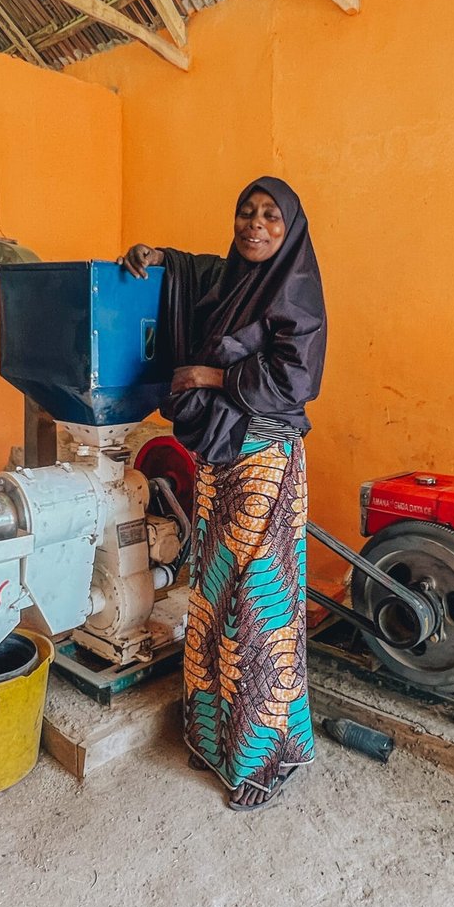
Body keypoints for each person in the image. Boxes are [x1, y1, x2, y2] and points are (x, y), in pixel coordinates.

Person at [120, 177, 326, 810]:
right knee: (209, 598)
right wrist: (160, 259)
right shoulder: (231, 278)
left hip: (264, 458)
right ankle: (214, 737)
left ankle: (265, 756)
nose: (255, 224)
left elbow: (298, 378)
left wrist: (213, 373)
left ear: (289, 228)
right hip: (216, 457)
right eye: (245, 212)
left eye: (270, 216)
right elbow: (199, 271)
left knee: (258, 609)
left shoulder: (298, 296)